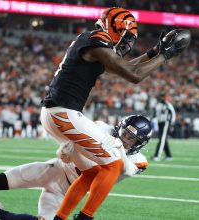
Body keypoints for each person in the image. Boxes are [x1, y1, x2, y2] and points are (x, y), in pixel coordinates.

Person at [40, 7, 189, 220]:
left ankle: (60, 217)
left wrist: (154, 52)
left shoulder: (93, 42)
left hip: (59, 112)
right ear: (114, 27)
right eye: (126, 35)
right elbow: (133, 75)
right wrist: (166, 54)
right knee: (114, 164)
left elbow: (122, 68)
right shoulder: (96, 38)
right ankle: (85, 217)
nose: (128, 42)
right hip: (63, 112)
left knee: (92, 172)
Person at [0, 115, 152, 220]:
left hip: (66, 192)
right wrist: (64, 152)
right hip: (53, 169)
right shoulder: (102, 129)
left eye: (130, 139)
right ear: (119, 127)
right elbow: (70, 147)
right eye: (124, 133)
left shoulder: (139, 161)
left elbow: (125, 168)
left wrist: (118, 148)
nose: (124, 139)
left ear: (139, 144)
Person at [150, 92, 176, 161]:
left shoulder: (168, 104)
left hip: (166, 123)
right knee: (164, 139)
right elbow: (155, 114)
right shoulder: (157, 105)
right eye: (161, 96)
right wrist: (152, 120)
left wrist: (172, 123)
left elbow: (173, 113)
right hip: (159, 123)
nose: (162, 98)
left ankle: (157, 155)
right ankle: (169, 156)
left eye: (163, 97)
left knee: (162, 139)